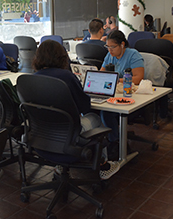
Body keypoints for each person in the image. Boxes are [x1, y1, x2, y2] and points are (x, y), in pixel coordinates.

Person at [33, 40, 120, 179]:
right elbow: (85, 108)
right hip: (69, 137)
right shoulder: (66, 77)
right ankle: (103, 165)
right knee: (95, 118)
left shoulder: (32, 78)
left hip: (43, 138)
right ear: (62, 57)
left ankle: (59, 166)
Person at [100, 30, 145, 153]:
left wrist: (116, 80)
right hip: (115, 92)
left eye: (113, 47)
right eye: (107, 47)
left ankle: (114, 142)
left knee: (106, 112)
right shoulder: (110, 56)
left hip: (130, 96)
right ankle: (104, 139)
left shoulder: (133, 55)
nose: (110, 50)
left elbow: (138, 78)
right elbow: (102, 73)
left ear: (122, 44)